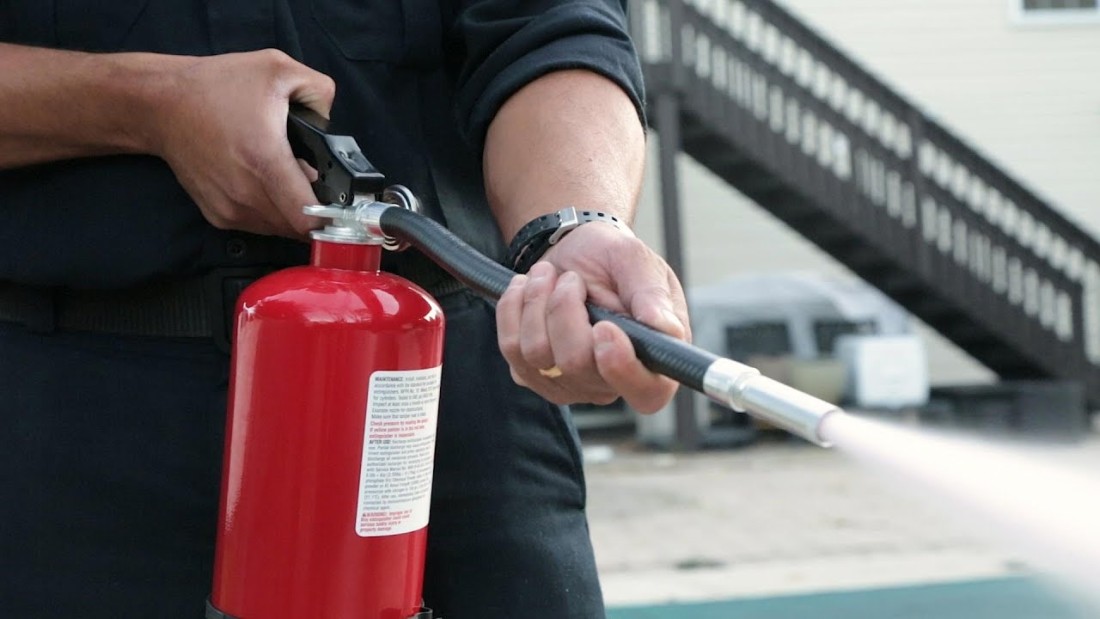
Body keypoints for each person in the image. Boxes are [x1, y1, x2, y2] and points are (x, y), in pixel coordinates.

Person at [0, 1, 691, 617]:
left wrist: (568, 229)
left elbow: (549, 24)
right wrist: (145, 105)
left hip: (447, 407)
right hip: (68, 430)